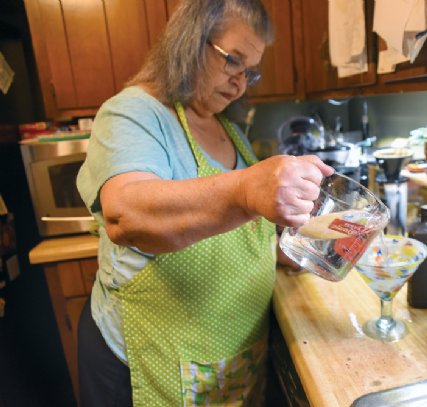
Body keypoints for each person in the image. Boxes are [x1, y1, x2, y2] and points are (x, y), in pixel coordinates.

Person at [75, 1, 333, 405]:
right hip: (150, 358)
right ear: (189, 41)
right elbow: (126, 215)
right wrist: (249, 189)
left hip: (233, 357)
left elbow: (242, 234)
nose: (240, 82)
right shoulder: (133, 113)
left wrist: (290, 250)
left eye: (251, 71)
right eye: (233, 60)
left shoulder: (228, 128)